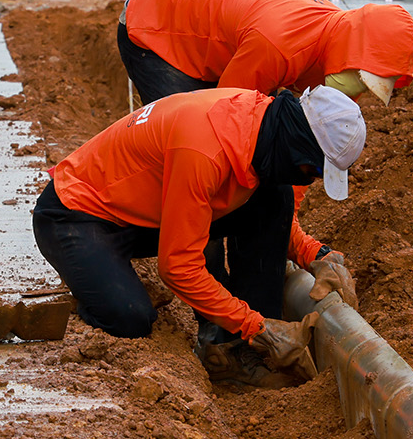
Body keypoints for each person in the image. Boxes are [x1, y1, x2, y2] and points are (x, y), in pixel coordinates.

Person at [33, 84, 366, 388]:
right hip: (77, 215)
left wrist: (315, 254)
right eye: (313, 171)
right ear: (297, 146)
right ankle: (93, 284)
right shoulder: (206, 149)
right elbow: (178, 267)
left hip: (146, 211)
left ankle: (234, 354)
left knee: (273, 195)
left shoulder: (262, 124)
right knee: (130, 317)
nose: (308, 180)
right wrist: (256, 326)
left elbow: (269, 215)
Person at [118, 0, 413, 107]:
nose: (361, 91)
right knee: (187, 140)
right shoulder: (278, 44)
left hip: (217, 24)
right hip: (156, 26)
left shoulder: (334, 38)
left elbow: (305, 141)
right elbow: (223, 118)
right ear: (357, 52)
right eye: (365, 80)